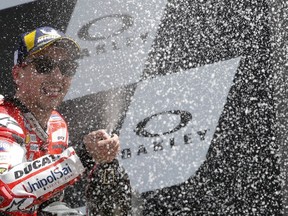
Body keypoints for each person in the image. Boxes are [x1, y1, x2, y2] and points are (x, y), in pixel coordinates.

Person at [0, 26, 120, 215]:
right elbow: (5, 195)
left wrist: (103, 164)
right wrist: (83, 156)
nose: (57, 77)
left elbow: (46, 202)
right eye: (44, 66)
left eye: (66, 68)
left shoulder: (57, 125)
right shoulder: (3, 119)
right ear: (17, 74)